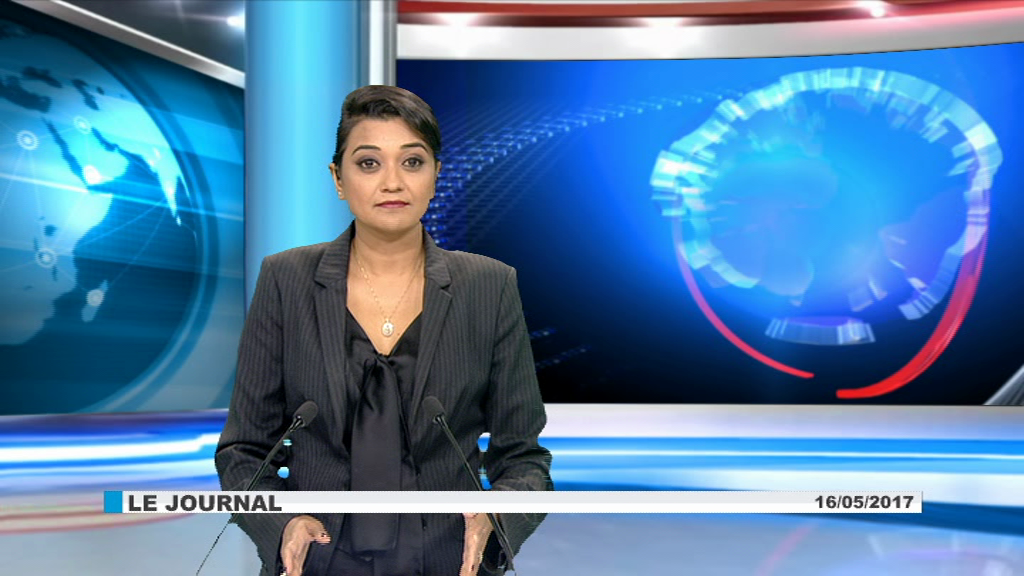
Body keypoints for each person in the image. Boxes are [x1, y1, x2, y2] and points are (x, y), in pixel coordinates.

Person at [215, 85, 553, 576]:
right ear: (338, 178)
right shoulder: (285, 279)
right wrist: (283, 524)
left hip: (450, 562)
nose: (392, 182)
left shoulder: (490, 285)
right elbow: (243, 452)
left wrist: (496, 518)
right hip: (316, 563)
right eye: (369, 163)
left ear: (436, 175)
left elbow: (524, 458)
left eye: (412, 162)